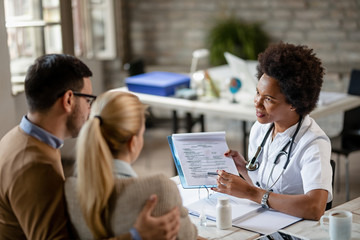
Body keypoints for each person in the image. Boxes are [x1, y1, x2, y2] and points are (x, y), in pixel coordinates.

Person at [0, 54, 180, 239]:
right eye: (88, 100)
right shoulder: (35, 166)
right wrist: (137, 236)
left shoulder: (17, 137)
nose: (90, 110)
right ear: (68, 99)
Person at [212, 42, 332, 220]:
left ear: (294, 103)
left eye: (268, 99)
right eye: (257, 92)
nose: (257, 103)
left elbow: (314, 208)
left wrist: (250, 192)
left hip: (297, 228)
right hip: (267, 219)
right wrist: (244, 168)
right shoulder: (261, 128)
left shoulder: (313, 143)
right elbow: (267, 185)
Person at [64, 91, 199, 239]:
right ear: (133, 143)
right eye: (141, 133)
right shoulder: (159, 189)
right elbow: (189, 236)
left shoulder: (70, 189)